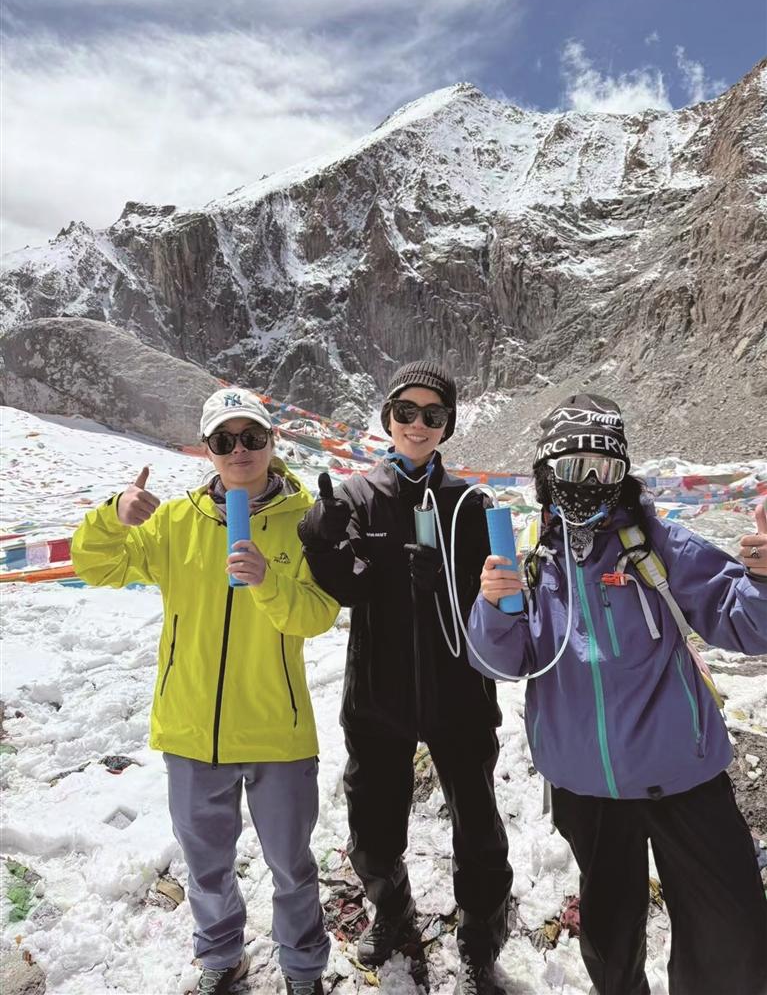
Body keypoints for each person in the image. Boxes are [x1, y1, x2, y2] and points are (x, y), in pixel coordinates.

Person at [467, 393, 767, 995]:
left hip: (682, 773)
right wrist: (494, 606)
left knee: (732, 937)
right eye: (571, 467)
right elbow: (502, 662)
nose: (587, 483)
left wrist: (762, 577)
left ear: (622, 472)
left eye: (603, 468)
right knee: (610, 936)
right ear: (546, 472)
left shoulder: (658, 544)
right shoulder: (535, 561)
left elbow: (747, 624)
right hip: (588, 788)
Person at [71, 387, 339, 995]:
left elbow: (318, 615)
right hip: (193, 732)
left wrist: (268, 582)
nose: (239, 449)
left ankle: (303, 969)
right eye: (224, 439)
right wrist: (113, 516)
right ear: (207, 449)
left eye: (252, 437)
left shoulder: (306, 521)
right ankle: (221, 956)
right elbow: (96, 565)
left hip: (277, 732)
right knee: (207, 867)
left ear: (272, 441)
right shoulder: (174, 522)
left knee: (292, 867)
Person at [297, 361, 513, 995]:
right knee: (372, 823)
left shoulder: (470, 502)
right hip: (378, 694)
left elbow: (498, 596)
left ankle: (480, 938)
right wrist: (320, 542)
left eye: (433, 414)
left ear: (448, 424)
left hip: (460, 693)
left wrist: (454, 583)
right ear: (388, 418)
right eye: (406, 412)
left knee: (478, 827)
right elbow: (343, 588)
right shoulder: (356, 497)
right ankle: (392, 910)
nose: (418, 425)